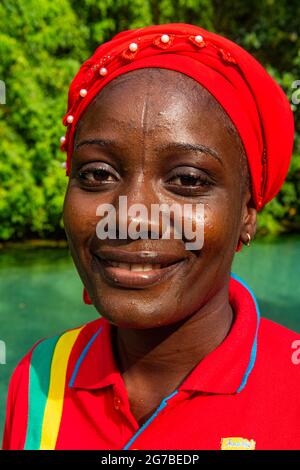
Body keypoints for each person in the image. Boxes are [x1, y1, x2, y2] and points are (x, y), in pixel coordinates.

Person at [2, 23, 300, 451]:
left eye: (188, 179)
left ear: (247, 214)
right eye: (98, 174)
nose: (131, 216)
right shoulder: (41, 378)